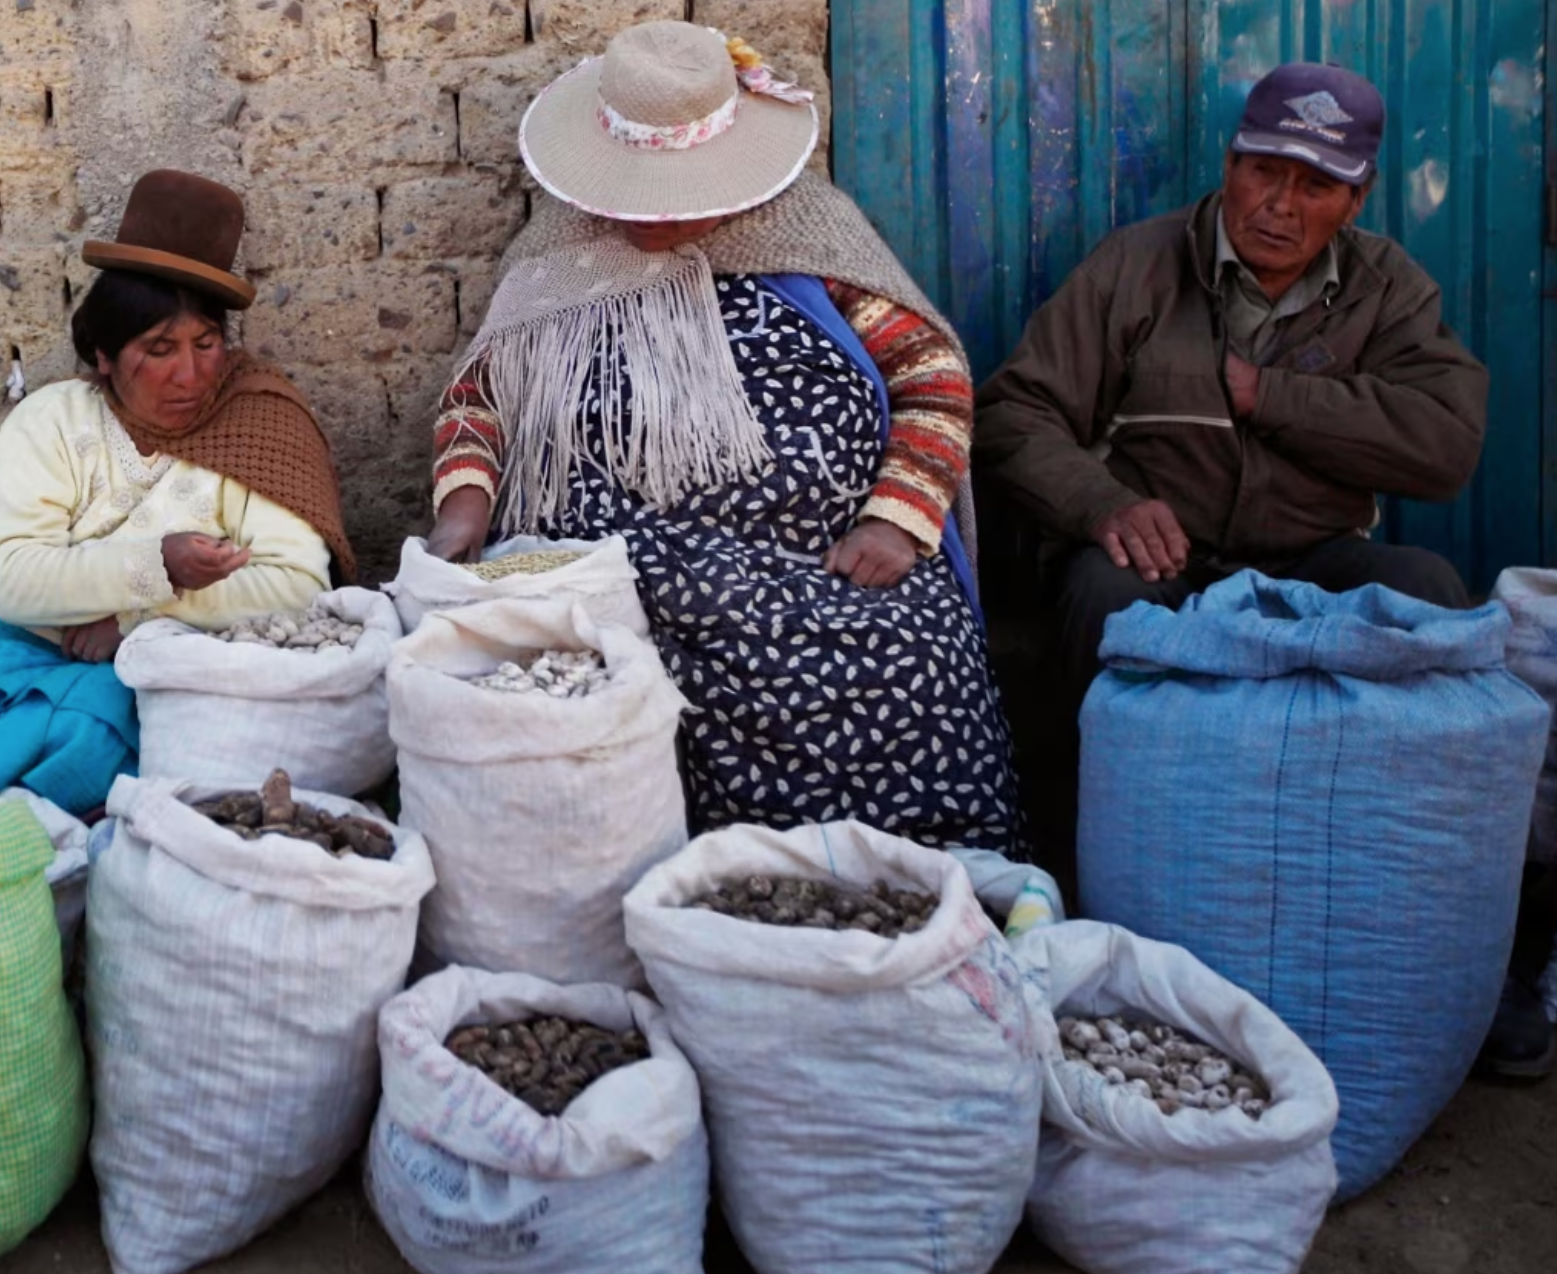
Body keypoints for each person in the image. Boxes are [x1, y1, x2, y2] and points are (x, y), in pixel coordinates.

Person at [973, 65, 1544, 1079]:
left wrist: (1270, 396)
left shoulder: (1387, 290)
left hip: (1309, 561)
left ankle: (1462, 941)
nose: (1278, 205)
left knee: (1426, 592)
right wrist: (1104, 503)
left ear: (1354, 198)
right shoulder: (1136, 267)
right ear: (1228, 164)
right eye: (1259, 171)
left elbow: (1444, 446)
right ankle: (1079, 894)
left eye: (1313, 186)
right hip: (1165, 557)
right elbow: (1015, 415)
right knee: (1105, 603)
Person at [425, 21, 1022, 854]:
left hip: (826, 556)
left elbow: (930, 372)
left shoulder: (814, 231)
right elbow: (477, 395)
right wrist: (464, 504)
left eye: (674, 194)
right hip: (622, 564)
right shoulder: (559, 249)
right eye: (631, 191)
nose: (649, 216)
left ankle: (913, 880)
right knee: (612, 671)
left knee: (920, 649)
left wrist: (898, 516)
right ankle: (679, 887)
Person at [0, 170, 352, 816]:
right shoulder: (51, 421)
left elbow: (300, 585)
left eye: (206, 344)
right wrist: (158, 565)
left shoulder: (261, 423)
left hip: (152, 664)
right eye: (159, 349)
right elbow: (14, 581)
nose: (190, 374)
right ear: (103, 355)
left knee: (101, 734)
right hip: (8, 641)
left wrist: (136, 617)